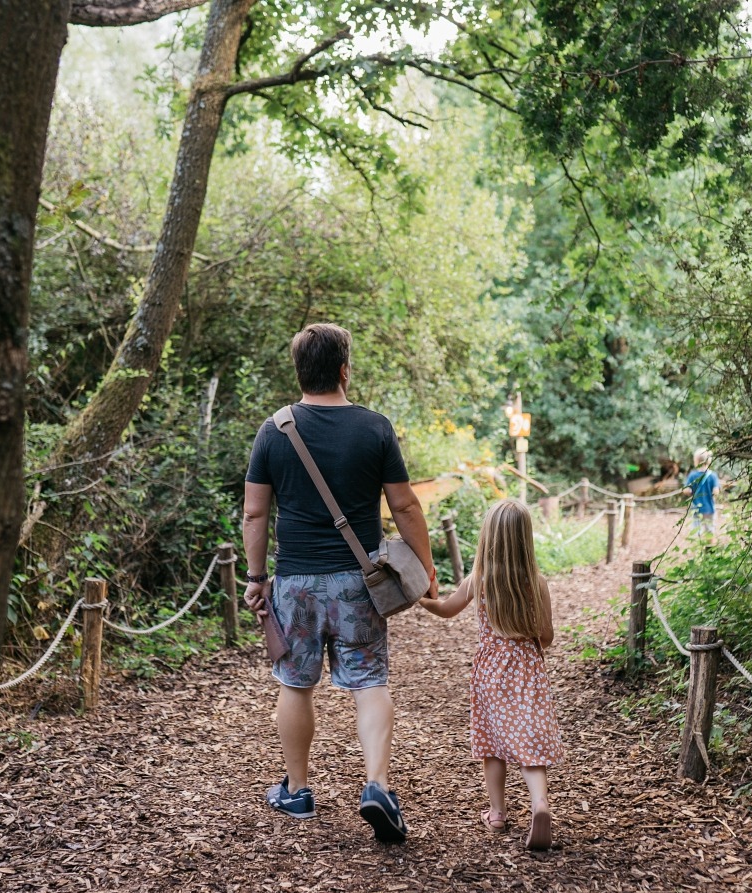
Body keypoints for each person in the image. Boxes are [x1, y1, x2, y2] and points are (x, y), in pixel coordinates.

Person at [241, 323, 438, 844]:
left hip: (296, 583)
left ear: (299, 371)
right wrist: (426, 566)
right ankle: (376, 785)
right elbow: (404, 505)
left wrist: (256, 577)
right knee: (369, 682)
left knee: (295, 684)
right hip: (359, 583)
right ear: (345, 370)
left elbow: (255, 514)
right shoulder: (375, 428)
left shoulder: (273, 430)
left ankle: (299, 790)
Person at [418, 499, 562, 850]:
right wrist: (527, 634)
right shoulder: (537, 583)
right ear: (525, 539)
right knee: (529, 742)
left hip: (490, 672)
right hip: (527, 668)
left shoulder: (478, 579)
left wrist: (421, 598)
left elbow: (445, 610)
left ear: (488, 538)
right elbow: (547, 636)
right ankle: (539, 803)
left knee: (493, 744)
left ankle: (497, 813)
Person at [684, 447, 720, 538]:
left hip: (696, 509)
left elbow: (686, 490)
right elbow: (716, 491)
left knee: (696, 531)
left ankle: (699, 549)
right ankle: (710, 550)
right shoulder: (713, 476)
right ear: (709, 461)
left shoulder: (692, 475)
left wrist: (690, 491)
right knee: (710, 530)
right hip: (709, 508)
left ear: (696, 461)